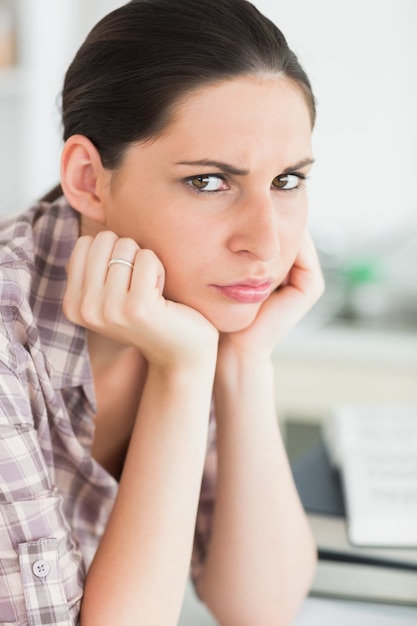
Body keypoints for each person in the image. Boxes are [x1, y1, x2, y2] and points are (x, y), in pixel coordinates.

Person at [0, 0, 325, 624]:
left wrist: (242, 363)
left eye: (287, 180)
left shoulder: (188, 301)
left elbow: (258, 604)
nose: (265, 240)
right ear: (89, 180)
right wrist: (181, 375)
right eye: (209, 181)